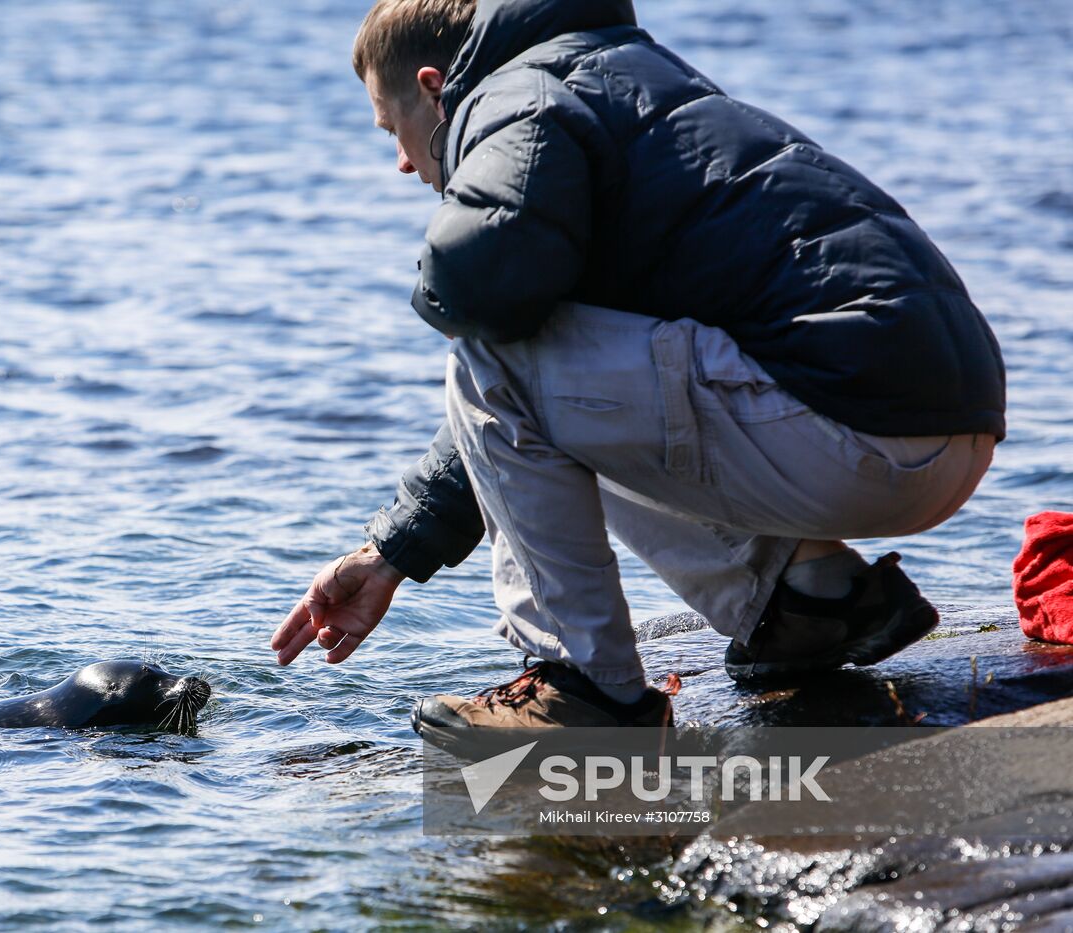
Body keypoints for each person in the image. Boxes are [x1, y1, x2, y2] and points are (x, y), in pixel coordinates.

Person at [270, 0, 1005, 739]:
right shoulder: (622, 78)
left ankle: (583, 684)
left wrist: (434, 285)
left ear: (435, 88)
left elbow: (476, 293)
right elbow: (544, 397)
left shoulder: (519, 96)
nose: (401, 161)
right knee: (562, 375)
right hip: (939, 430)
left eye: (392, 131)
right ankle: (809, 599)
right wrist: (391, 552)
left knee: (486, 345)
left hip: (853, 433)